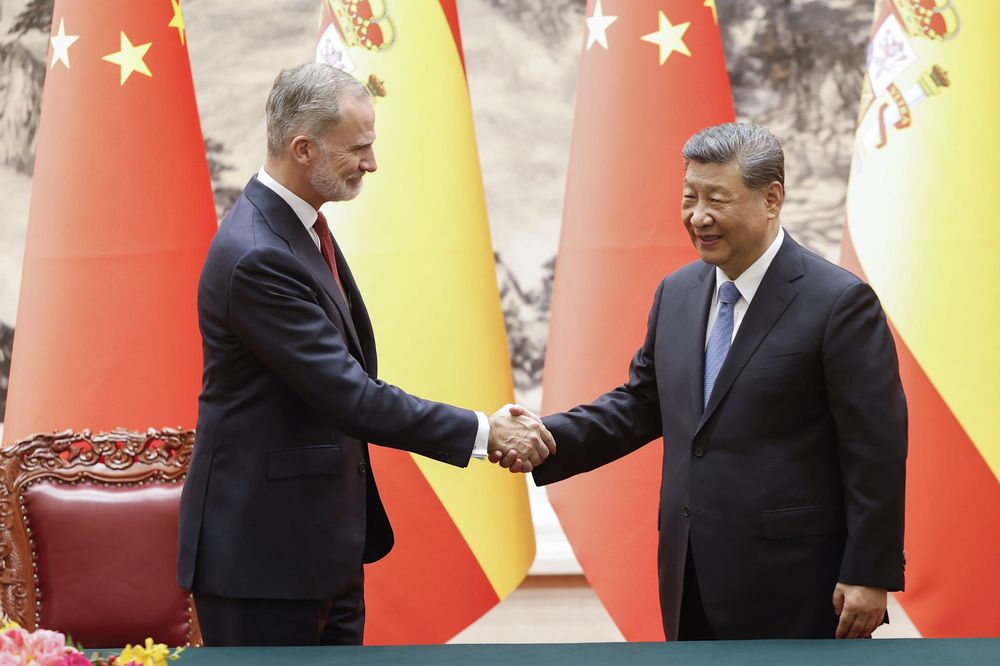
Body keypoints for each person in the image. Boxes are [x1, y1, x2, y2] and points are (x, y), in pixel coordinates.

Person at [176, 63, 553, 647]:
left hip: (320, 549)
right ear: (303, 149)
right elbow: (350, 396)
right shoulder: (258, 255)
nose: (371, 163)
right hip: (264, 561)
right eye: (358, 148)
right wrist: (486, 432)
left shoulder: (299, 228)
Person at [524, 122, 907, 640]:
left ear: (771, 199)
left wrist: (869, 572)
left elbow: (875, 448)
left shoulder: (838, 302)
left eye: (716, 199)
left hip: (797, 583)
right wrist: (542, 438)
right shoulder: (677, 292)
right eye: (690, 197)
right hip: (689, 574)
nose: (698, 216)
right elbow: (641, 404)